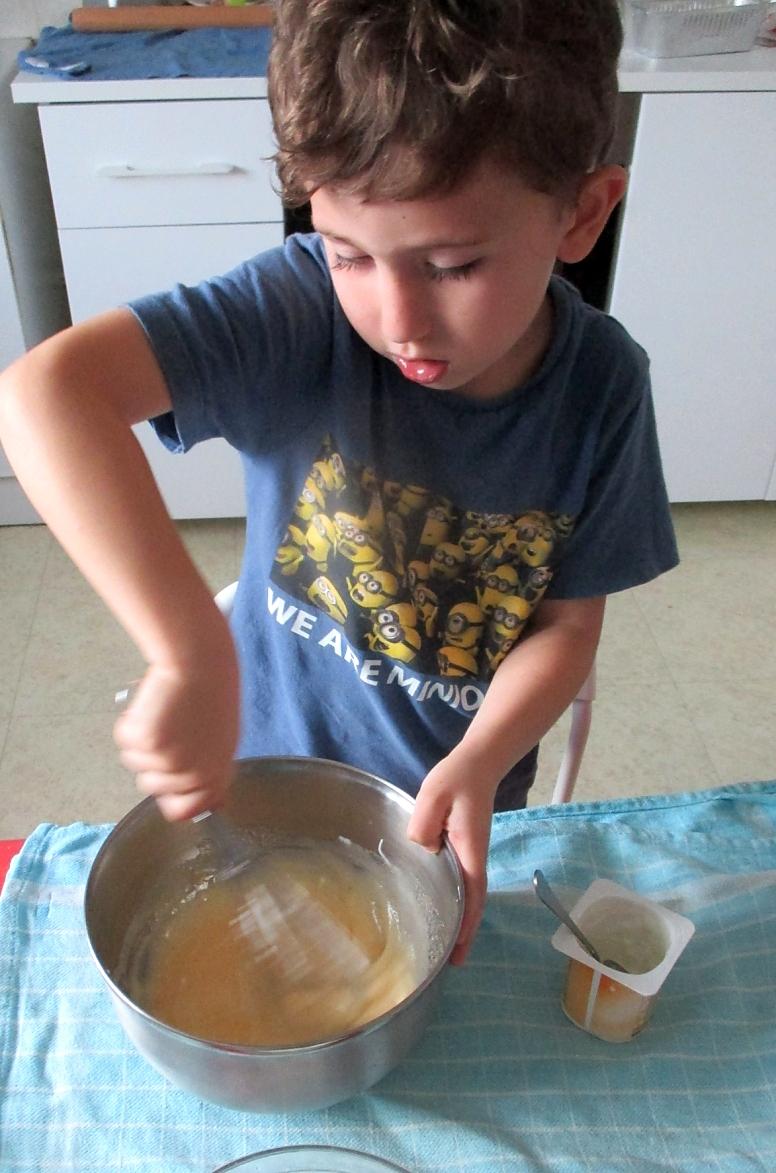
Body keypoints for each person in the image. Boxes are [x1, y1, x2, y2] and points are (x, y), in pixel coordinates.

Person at [0, 0, 677, 964]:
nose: (396, 318)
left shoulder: (604, 389)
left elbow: (567, 629)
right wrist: (190, 650)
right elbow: (42, 395)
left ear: (582, 212)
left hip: (451, 797)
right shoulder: (302, 307)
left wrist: (483, 758)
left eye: (451, 265)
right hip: (259, 768)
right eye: (350, 251)